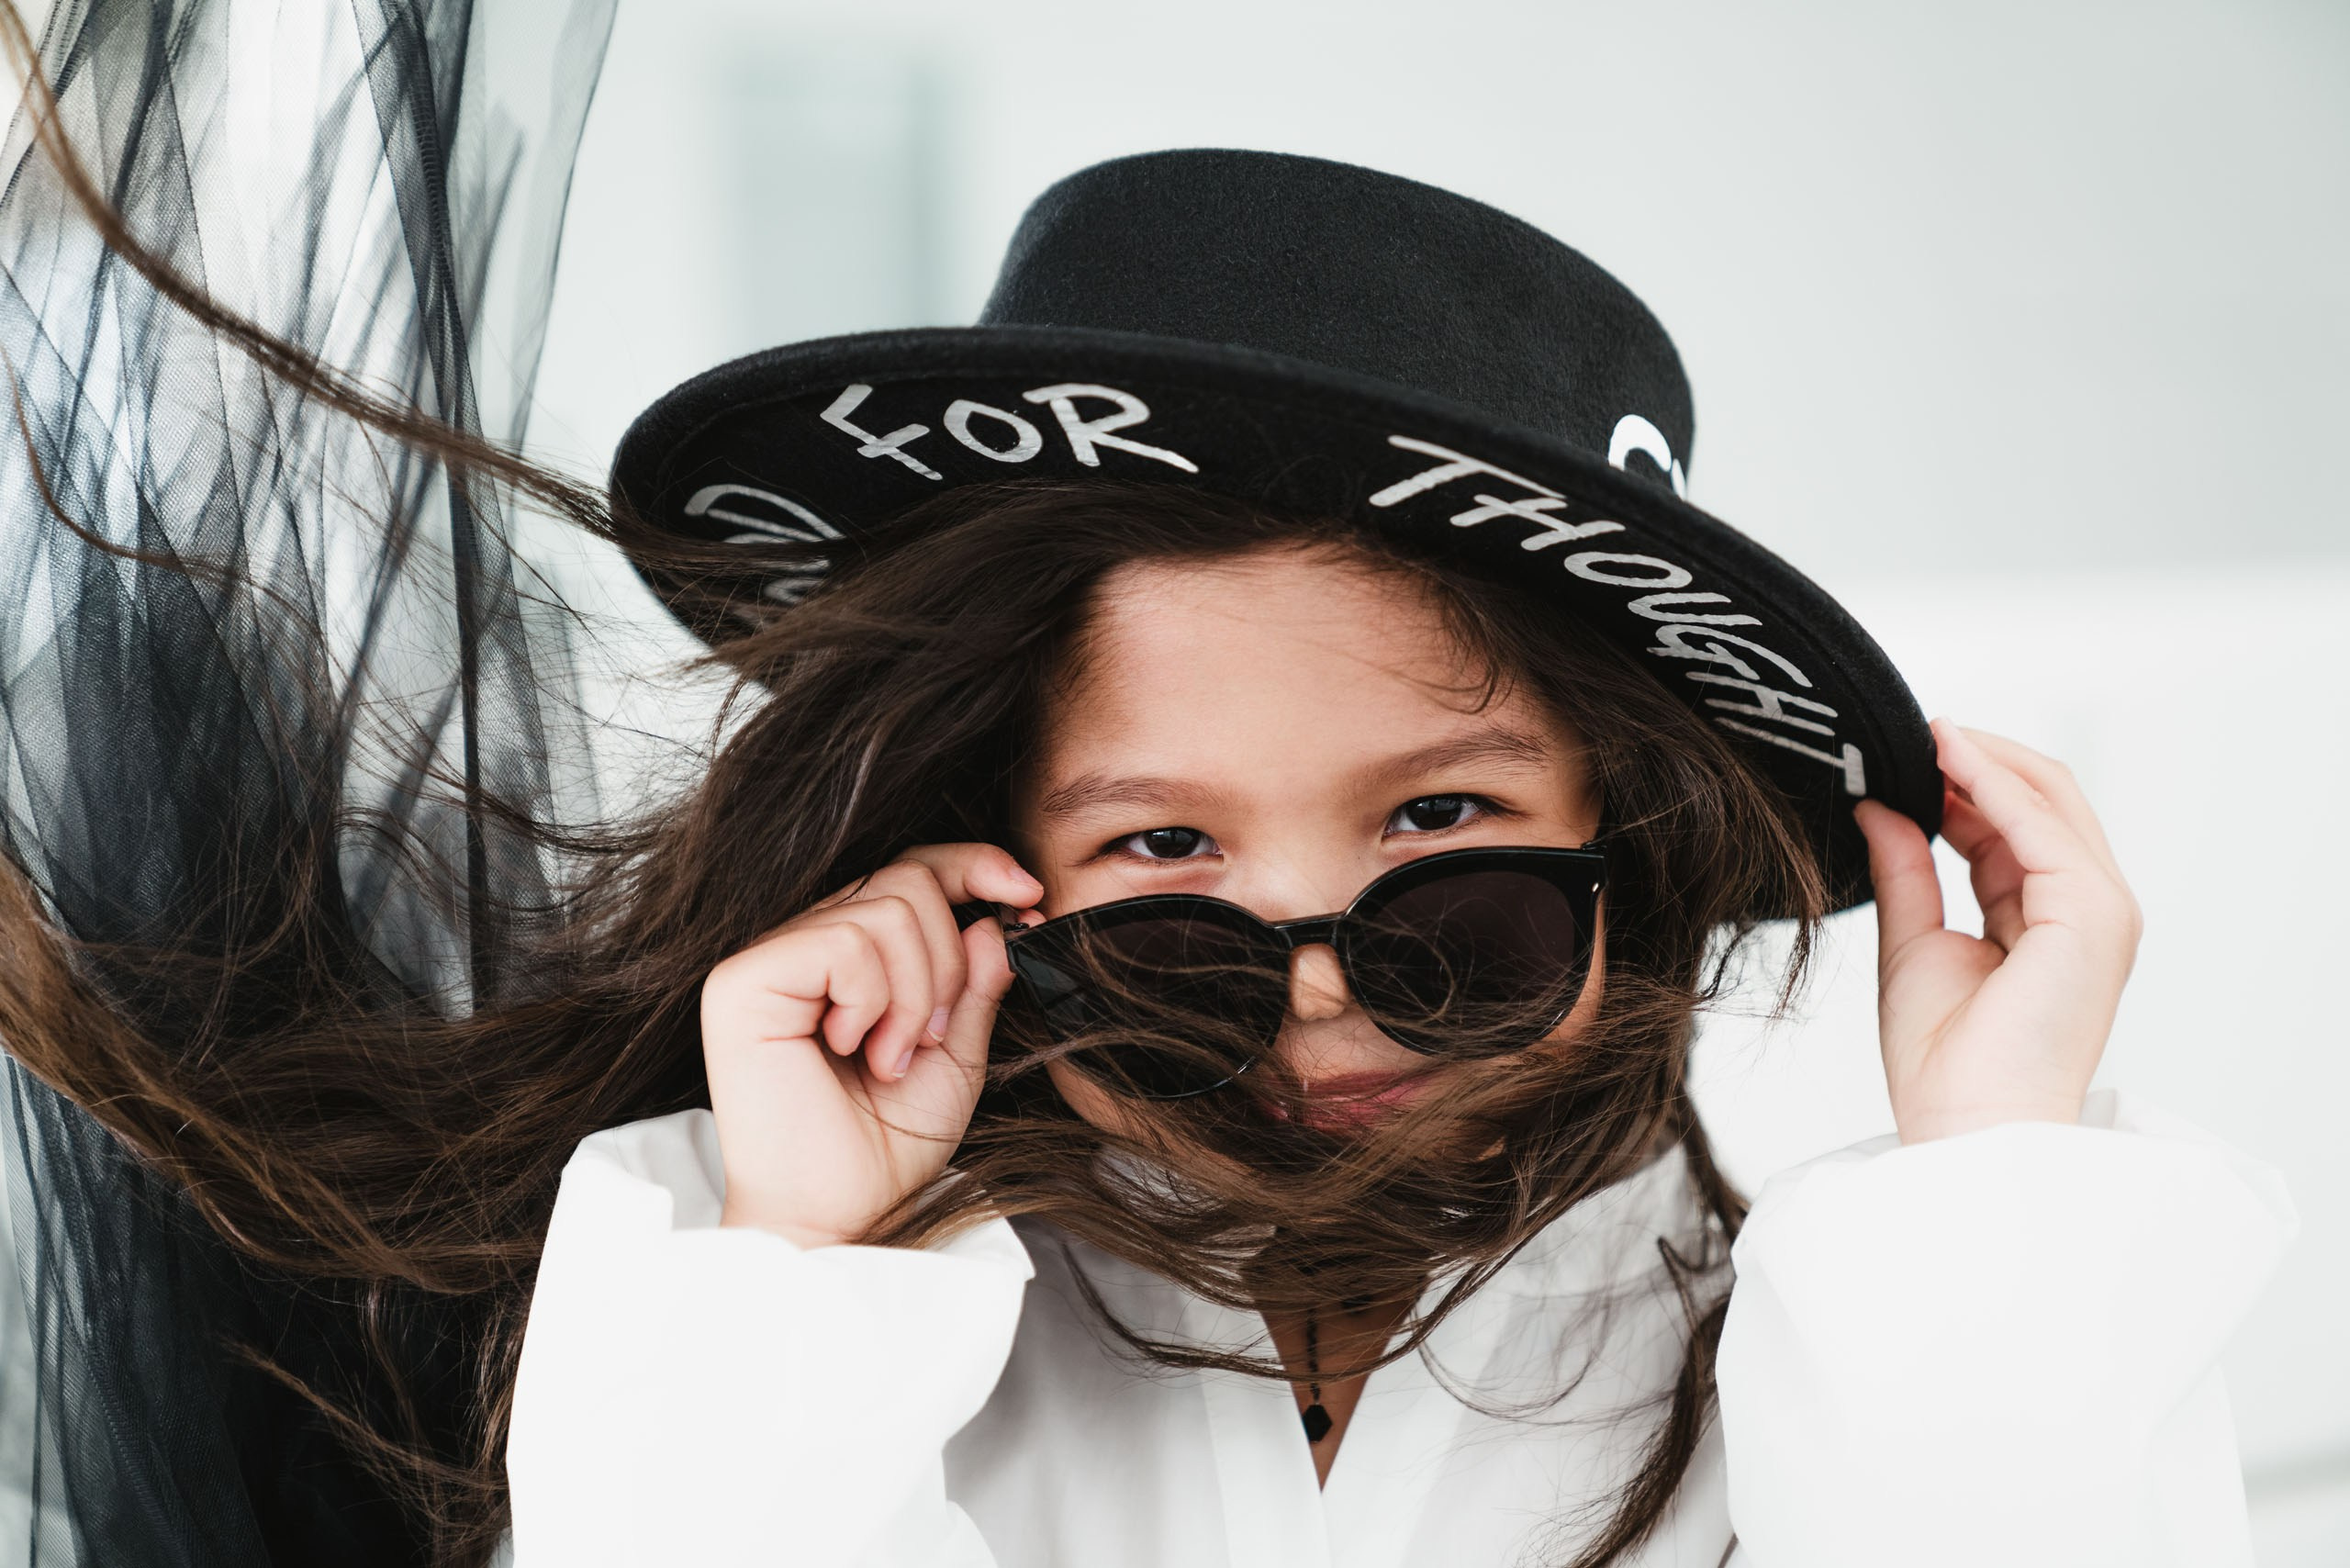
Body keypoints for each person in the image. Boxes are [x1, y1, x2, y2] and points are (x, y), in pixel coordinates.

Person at [0, 5, 2295, 1568]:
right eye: (1164, 864)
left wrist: (1996, 1182)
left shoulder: (1869, 1318)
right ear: (982, 859)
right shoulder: (775, 1296)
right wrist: (796, 1262)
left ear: (1636, 826)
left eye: (1440, 846)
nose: (1316, 1006)